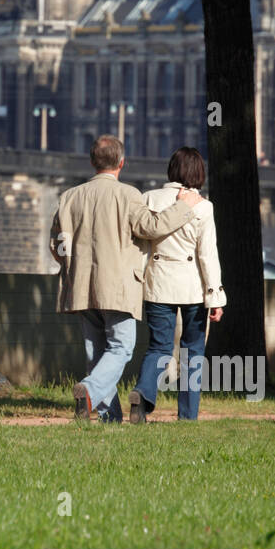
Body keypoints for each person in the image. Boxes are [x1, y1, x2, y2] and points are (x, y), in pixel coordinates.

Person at [49, 135, 203, 423]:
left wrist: (72, 265)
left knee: (96, 352)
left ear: (93, 161)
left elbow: (57, 245)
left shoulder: (69, 197)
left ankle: (109, 418)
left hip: (80, 286)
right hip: (118, 287)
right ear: (121, 163)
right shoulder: (128, 195)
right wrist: (183, 206)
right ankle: (90, 390)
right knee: (120, 348)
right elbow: (152, 227)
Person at [130, 147, 226, 422]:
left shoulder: (149, 197)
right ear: (199, 173)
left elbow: (141, 244)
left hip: (157, 283)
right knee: (192, 351)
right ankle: (187, 415)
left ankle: (143, 394)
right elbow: (207, 255)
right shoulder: (204, 206)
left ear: (171, 170)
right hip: (192, 287)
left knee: (158, 347)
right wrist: (216, 297)